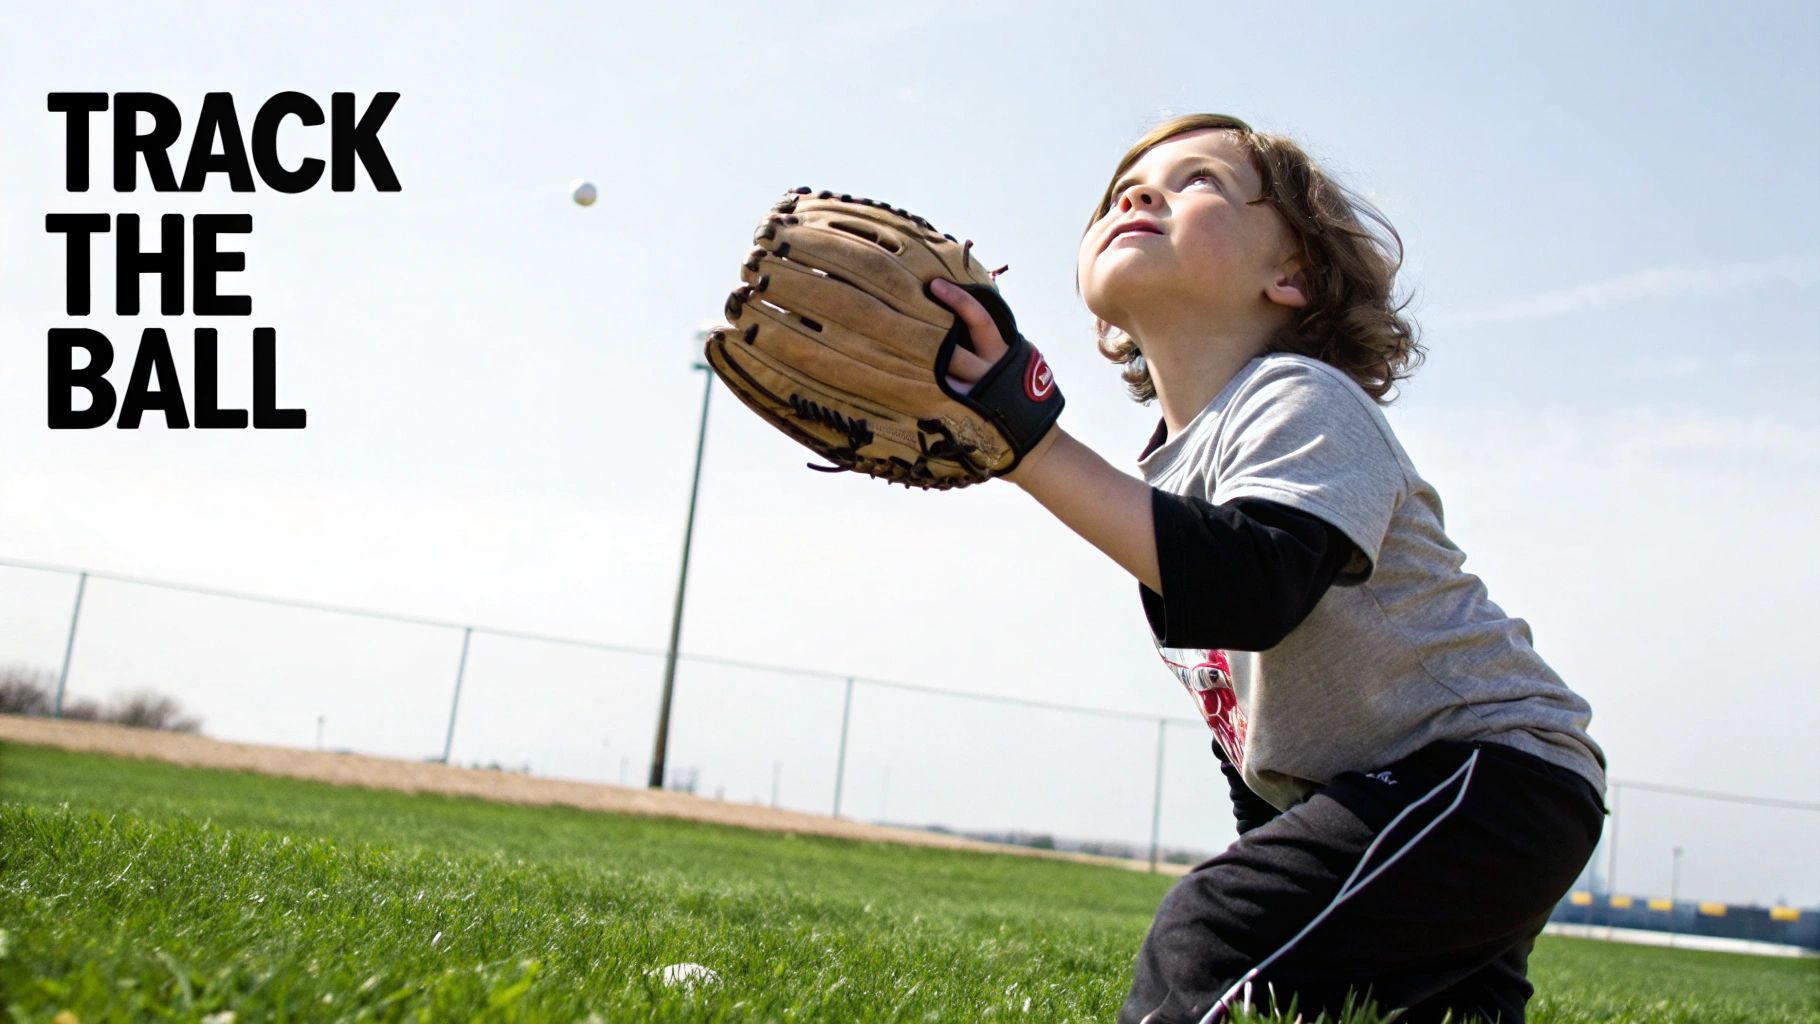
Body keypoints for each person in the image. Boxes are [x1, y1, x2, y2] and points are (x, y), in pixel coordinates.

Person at [933, 114, 1606, 1024]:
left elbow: (1254, 589)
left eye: (1198, 180)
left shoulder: (1299, 396)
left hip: (1490, 776)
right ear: (1100, 314)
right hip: (1404, 798)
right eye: (1121, 189)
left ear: (1289, 277)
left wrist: (1028, 441)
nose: (1138, 193)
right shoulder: (1164, 481)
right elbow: (1251, 743)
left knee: (1209, 937)